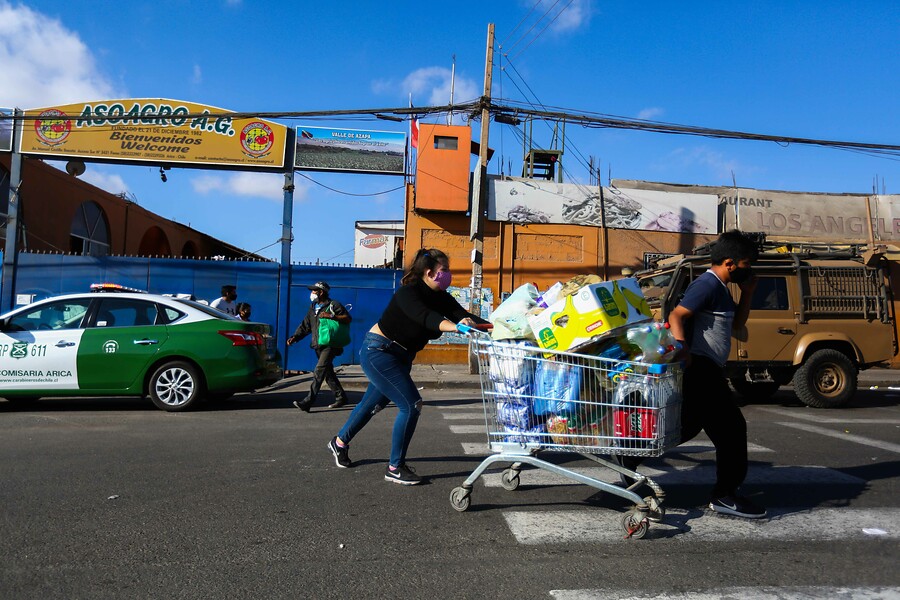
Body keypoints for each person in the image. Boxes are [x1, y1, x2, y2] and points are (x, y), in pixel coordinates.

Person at [327, 248, 489, 485]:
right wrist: (455, 327)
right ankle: (395, 467)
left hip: (401, 357)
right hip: (379, 351)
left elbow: (464, 316)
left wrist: (502, 328)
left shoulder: (441, 297)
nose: (449, 274)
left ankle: (339, 442)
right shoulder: (408, 293)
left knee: (372, 403)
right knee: (411, 405)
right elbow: (426, 317)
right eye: (444, 270)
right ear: (429, 272)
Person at [667, 229, 766, 519]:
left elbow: (738, 324)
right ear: (730, 263)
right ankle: (725, 495)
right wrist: (683, 349)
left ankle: (629, 456)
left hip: (707, 368)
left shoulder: (721, 287)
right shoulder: (707, 284)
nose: (749, 269)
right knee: (732, 430)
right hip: (702, 367)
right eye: (747, 264)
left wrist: (748, 293)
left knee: (686, 427)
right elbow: (677, 315)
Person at [288, 281, 352, 411]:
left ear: (321, 292)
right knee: (327, 372)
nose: (312, 293)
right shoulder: (313, 307)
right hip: (317, 344)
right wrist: (295, 337)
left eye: (314, 290)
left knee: (319, 370)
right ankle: (341, 397)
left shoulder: (333, 305)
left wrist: (332, 316)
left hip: (330, 344)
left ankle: (308, 401)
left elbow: (347, 318)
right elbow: (306, 325)